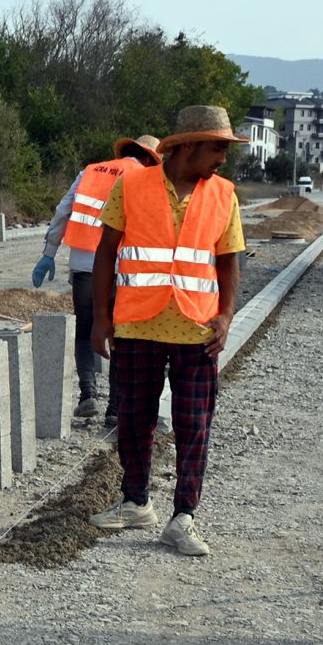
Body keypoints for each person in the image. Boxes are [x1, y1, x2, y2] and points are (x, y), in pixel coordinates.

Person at [87, 105, 247, 557]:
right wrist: (101, 318)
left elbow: (229, 259)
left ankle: (184, 516)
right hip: (138, 323)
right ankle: (136, 501)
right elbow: (105, 252)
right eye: (217, 148)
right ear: (188, 146)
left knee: (193, 425)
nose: (223, 158)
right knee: (134, 420)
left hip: (198, 328)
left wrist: (227, 316)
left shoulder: (225, 194)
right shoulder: (132, 185)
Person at [34, 133, 161, 423]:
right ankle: (115, 408)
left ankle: (88, 394)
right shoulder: (147, 179)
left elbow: (63, 210)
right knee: (120, 337)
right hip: (123, 270)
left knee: (85, 330)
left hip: (83, 266)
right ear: (149, 158)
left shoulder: (90, 172)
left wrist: (49, 252)